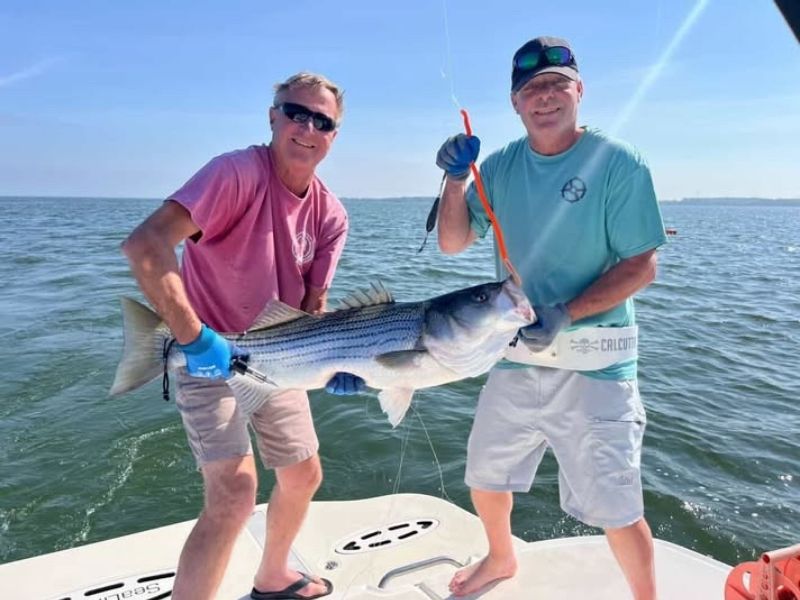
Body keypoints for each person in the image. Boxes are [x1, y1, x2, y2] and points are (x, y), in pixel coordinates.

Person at [435, 37, 667, 599]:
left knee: (618, 509)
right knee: (484, 478)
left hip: (597, 366)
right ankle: (501, 558)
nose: (544, 96)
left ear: (579, 90)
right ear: (515, 103)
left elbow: (642, 266)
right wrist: (455, 179)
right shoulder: (499, 167)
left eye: (557, 84)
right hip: (515, 357)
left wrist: (567, 312)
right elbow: (453, 242)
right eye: (531, 88)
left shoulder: (618, 162)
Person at [122, 72, 363, 600]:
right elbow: (146, 246)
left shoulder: (332, 215)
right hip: (203, 349)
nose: (308, 128)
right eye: (296, 112)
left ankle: (273, 577)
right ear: (273, 117)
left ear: (334, 136)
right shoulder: (235, 174)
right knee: (234, 494)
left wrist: (339, 362)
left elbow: (313, 307)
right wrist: (194, 339)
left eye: (322, 122)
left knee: (303, 474)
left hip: (280, 357)